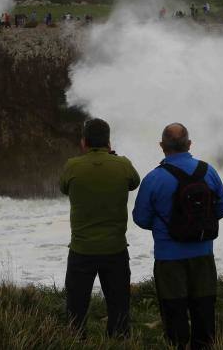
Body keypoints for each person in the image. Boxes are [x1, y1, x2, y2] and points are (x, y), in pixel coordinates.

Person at [133, 123, 223, 350]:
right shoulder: (209, 172)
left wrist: (165, 227)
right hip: (203, 254)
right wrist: (202, 223)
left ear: (161, 146)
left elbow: (141, 218)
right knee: (204, 312)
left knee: (174, 313)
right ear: (189, 144)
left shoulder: (153, 179)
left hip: (169, 258)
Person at [60, 119, 140, 339]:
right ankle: (118, 340)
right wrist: (111, 157)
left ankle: (76, 341)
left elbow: (63, 187)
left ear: (84, 142)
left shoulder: (72, 166)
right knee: (119, 305)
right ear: (108, 141)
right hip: (115, 248)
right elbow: (134, 182)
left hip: (81, 249)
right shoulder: (123, 164)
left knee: (76, 304)